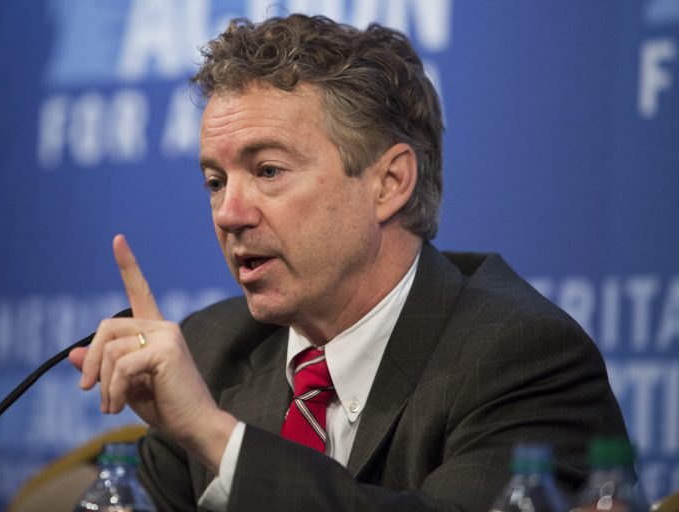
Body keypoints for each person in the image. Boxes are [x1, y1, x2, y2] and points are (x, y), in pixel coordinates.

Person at [69, 13, 630, 511]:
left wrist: (217, 436)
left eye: (267, 171)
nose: (228, 213)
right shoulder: (212, 351)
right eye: (215, 182)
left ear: (389, 183)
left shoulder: (521, 357)